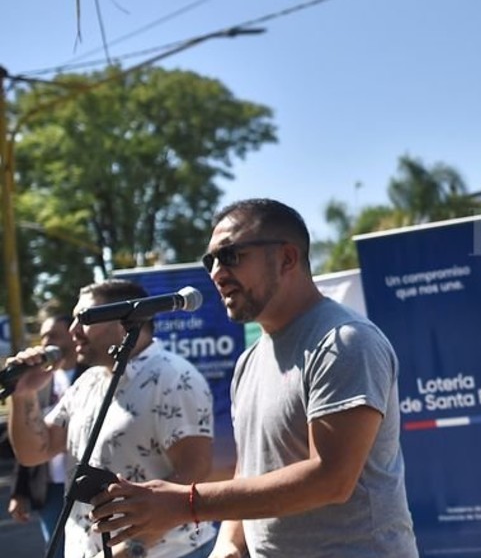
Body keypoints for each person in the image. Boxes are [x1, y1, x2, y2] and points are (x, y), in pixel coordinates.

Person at [89, 198, 418, 557]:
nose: (215, 273)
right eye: (209, 261)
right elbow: (253, 467)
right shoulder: (249, 362)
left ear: (287, 258)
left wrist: (187, 503)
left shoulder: (344, 341)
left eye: (230, 255)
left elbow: (331, 479)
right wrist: (230, 544)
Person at [5, 280, 217, 558]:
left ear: (124, 322)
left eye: (84, 319)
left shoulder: (175, 378)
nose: (73, 331)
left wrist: (132, 547)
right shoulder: (88, 382)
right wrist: (24, 395)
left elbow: (194, 473)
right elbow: (35, 451)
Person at [7, 313, 80, 558]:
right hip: (48, 486)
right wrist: (20, 492)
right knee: (57, 549)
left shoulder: (92, 375)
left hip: (82, 484)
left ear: (73, 336)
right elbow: (28, 435)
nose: (48, 342)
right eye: (45, 336)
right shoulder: (39, 380)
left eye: (55, 335)